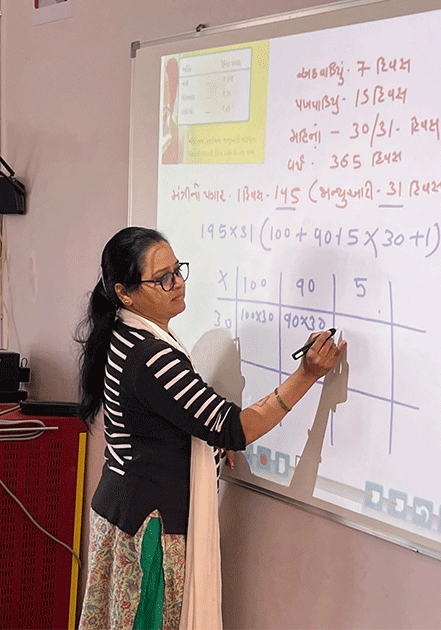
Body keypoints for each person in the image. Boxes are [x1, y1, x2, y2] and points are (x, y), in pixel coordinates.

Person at [76, 226, 345, 630]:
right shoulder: (151, 356)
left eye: (178, 270)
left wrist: (203, 437)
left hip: (123, 513)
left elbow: (162, 420)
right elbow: (235, 429)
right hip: (149, 531)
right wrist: (306, 374)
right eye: (162, 278)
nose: (177, 283)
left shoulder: (123, 331)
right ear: (125, 292)